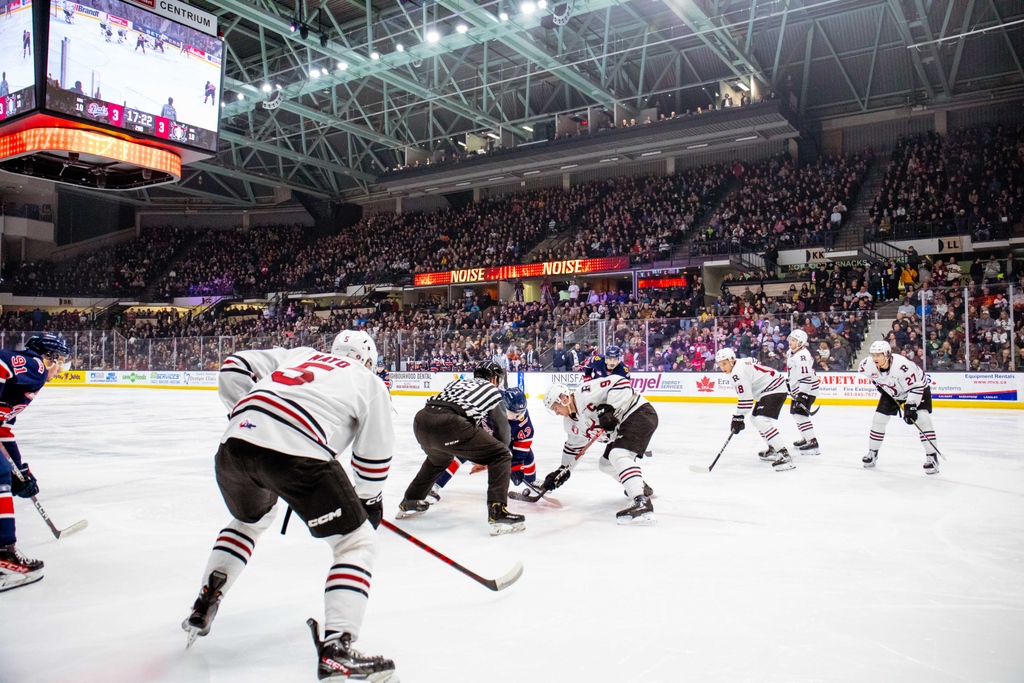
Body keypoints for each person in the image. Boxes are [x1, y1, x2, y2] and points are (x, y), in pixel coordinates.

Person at [181, 331, 398, 680]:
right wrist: (368, 501)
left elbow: (233, 367)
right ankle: (337, 648)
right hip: (298, 455)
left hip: (234, 447)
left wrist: (250, 416)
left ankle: (205, 601)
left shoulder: (299, 354)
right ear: (368, 361)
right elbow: (374, 457)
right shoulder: (369, 381)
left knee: (250, 522)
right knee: (355, 542)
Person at [397, 361, 524, 535]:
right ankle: (497, 510)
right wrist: (493, 457)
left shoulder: (457, 382)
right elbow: (503, 429)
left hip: (422, 420)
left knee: (438, 459)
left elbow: (470, 433)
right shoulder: (492, 390)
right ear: (494, 378)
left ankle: (410, 499)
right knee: (502, 454)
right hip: (449, 423)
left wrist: (482, 454)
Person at [0, 335, 70, 593]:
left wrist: (21, 470)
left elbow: (4, 429)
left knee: (7, 473)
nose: (61, 368)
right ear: (50, 357)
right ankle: (4, 556)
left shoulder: (27, 384)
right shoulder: (35, 366)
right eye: (61, 361)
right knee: (0, 475)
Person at [540, 376, 658, 524]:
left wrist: (609, 408)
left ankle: (641, 502)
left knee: (618, 454)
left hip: (639, 412)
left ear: (563, 398)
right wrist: (563, 471)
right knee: (606, 464)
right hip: (621, 428)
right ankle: (638, 485)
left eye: (555, 408)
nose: (556, 413)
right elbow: (574, 448)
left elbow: (620, 382)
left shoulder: (585, 392)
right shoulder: (570, 423)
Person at [858, 340, 940, 474]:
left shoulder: (902, 366)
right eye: (873, 355)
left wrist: (911, 405)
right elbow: (874, 377)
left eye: (878, 355)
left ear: (887, 355)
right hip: (892, 391)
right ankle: (872, 453)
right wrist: (879, 385)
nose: (875, 358)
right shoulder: (866, 365)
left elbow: (917, 386)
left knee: (923, 419)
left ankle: (932, 457)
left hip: (916, 389)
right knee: (879, 419)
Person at [715, 347, 794, 471]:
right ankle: (773, 448)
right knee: (754, 419)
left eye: (724, 364)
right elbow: (754, 361)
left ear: (731, 360)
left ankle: (784, 455)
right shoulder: (740, 362)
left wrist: (738, 417)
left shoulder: (737, 374)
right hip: (770, 387)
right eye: (720, 365)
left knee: (761, 420)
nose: (722, 367)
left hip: (774, 388)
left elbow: (746, 399)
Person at [786, 330, 821, 455]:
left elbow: (806, 377)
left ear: (800, 342)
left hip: (807, 389)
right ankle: (806, 438)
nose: (790, 342)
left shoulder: (802, 356)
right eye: (790, 339)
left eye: (794, 340)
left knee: (800, 415)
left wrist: (803, 395)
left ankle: (812, 442)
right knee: (796, 414)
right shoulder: (791, 353)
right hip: (798, 389)